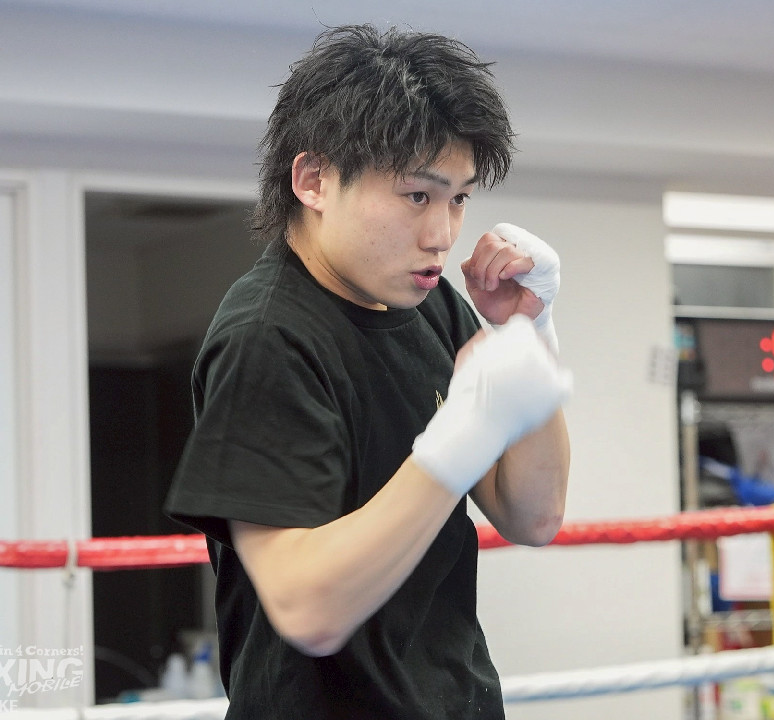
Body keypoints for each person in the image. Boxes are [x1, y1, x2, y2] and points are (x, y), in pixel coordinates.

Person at [165, 24, 572, 719]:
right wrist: (461, 436)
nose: (442, 234)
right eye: (417, 196)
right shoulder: (268, 339)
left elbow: (534, 515)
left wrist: (528, 330)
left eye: (459, 198)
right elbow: (307, 609)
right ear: (314, 180)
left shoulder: (430, 305)